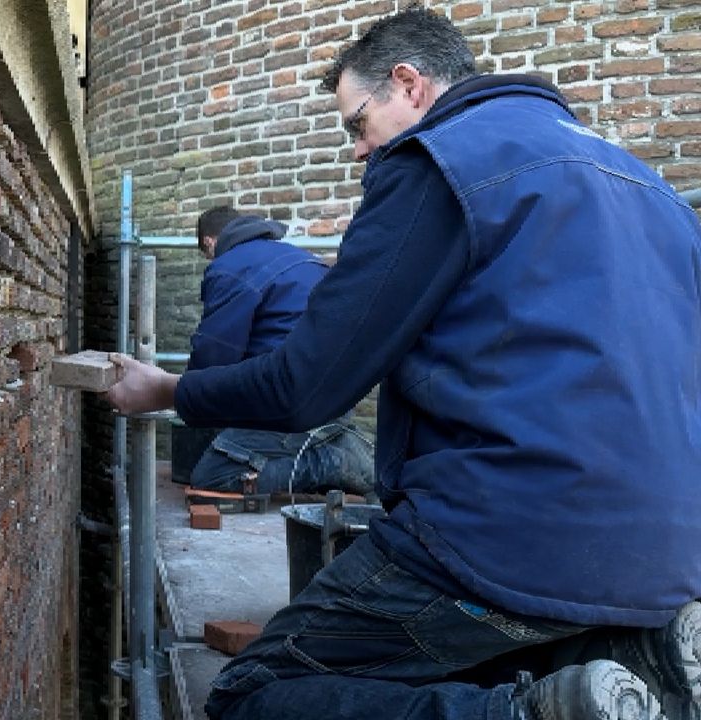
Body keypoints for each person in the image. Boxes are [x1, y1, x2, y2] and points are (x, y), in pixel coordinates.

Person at [104, 7, 701, 720]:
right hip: (668, 553)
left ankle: (524, 715)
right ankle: (643, 664)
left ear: (409, 85)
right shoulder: (648, 186)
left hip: (506, 537)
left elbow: (306, 389)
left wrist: (165, 388)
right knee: (494, 650)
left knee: (253, 693)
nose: (359, 150)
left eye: (357, 124)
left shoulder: (435, 161)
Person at [185, 205, 374, 499]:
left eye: (206, 253)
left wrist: (184, 395)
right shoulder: (297, 256)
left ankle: (333, 463)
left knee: (213, 475)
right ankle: (330, 442)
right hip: (336, 396)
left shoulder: (229, 266)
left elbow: (214, 355)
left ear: (209, 242)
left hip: (288, 399)